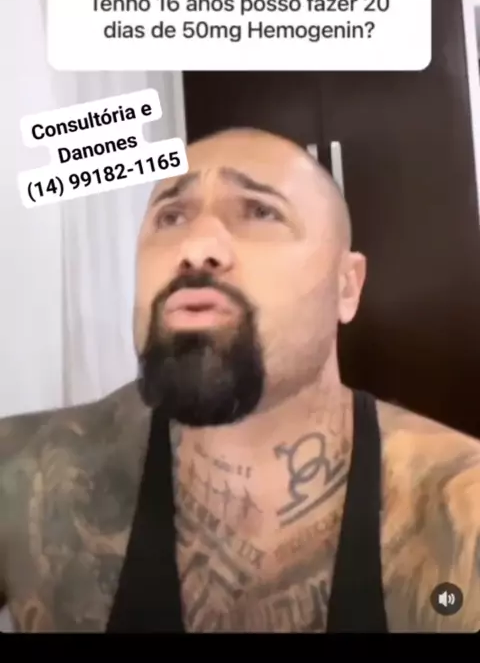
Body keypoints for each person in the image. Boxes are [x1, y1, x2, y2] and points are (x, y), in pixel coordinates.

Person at [1, 127, 479, 633]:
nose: (196, 246)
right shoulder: (23, 476)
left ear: (347, 286)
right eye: (171, 216)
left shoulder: (461, 505)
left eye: (259, 211)